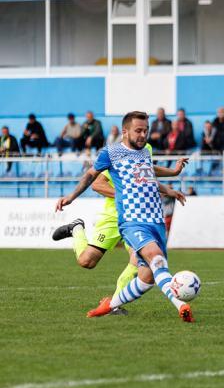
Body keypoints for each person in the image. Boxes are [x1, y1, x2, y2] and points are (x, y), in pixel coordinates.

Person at [54, 111, 194, 322]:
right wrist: (71, 196)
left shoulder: (145, 150)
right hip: (130, 219)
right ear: (125, 131)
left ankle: (110, 305)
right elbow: (92, 178)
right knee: (155, 259)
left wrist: (170, 184)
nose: (143, 135)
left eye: (146, 131)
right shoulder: (111, 153)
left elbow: (147, 173)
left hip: (155, 220)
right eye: (138, 131)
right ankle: (181, 305)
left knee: (147, 278)